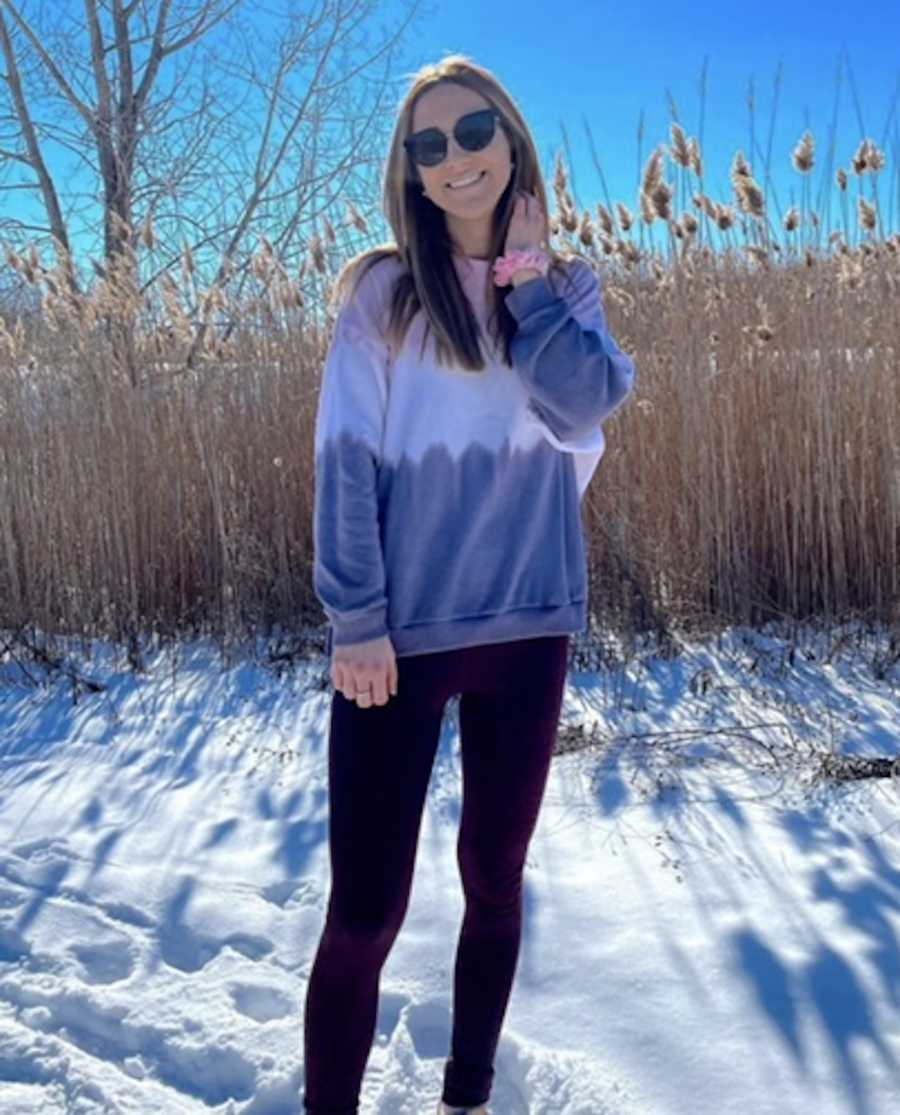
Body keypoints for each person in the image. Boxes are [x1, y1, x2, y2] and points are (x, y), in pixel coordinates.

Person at [302, 52, 636, 1115]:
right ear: (410, 169)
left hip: (531, 627)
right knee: (365, 911)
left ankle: (467, 1095)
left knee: (495, 879)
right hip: (396, 640)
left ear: (511, 138)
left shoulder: (568, 288)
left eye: (474, 131)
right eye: (429, 143)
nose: (456, 159)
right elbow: (344, 459)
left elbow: (584, 404)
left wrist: (530, 288)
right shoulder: (383, 296)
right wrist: (356, 617)